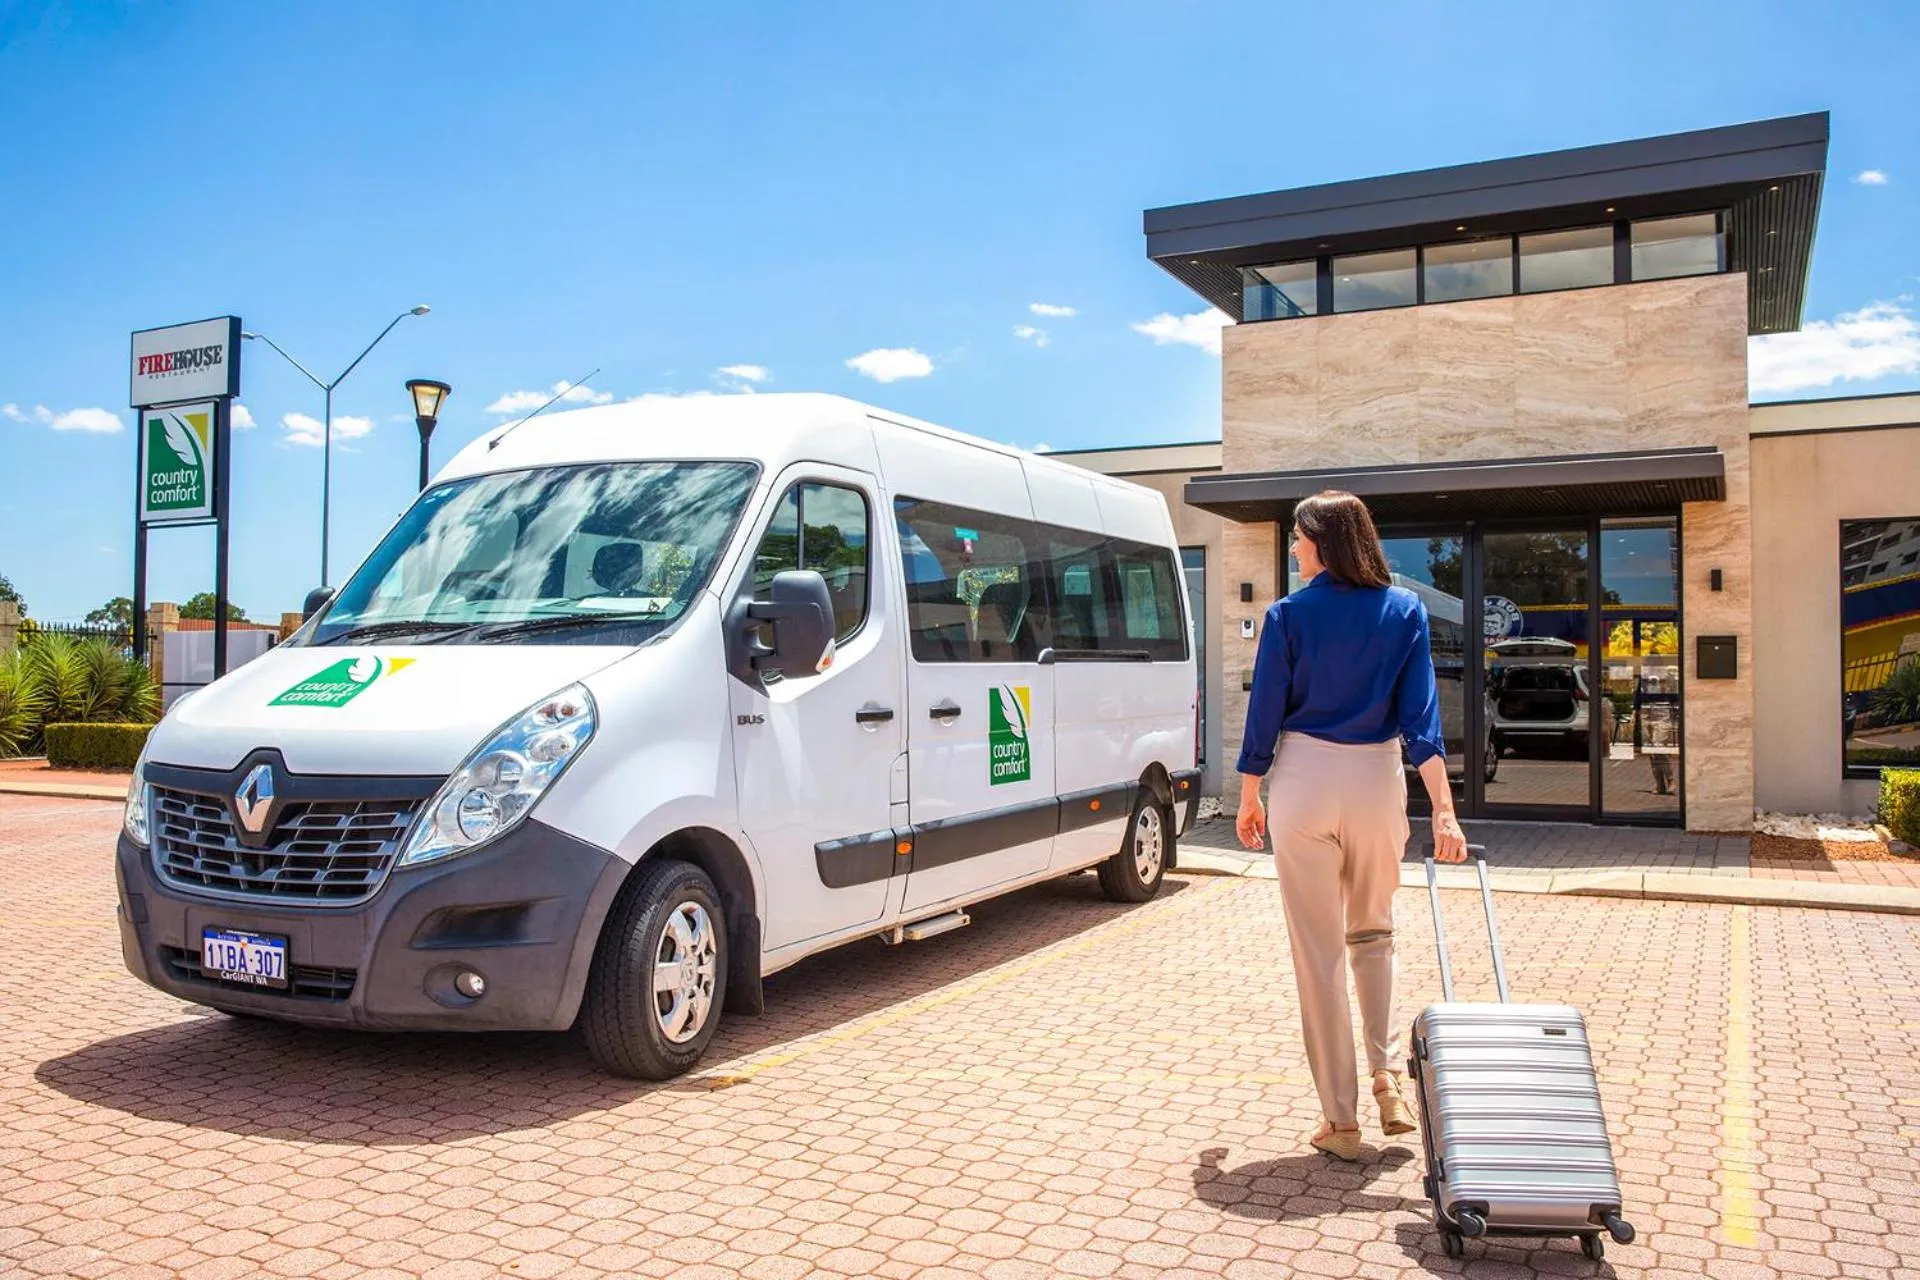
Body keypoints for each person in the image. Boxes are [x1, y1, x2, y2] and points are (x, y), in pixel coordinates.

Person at [1235, 490, 1469, 1162]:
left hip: (1304, 782)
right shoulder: (1404, 611)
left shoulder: (1286, 615)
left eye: (1300, 538)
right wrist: (1444, 811)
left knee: (1318, 957)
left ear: (1327, 542)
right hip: (1376, 780)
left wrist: (1251, 795)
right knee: (1374, 932)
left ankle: (1340, 1122)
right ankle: (1386, 1073)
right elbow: (1422, 723)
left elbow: (1264, 720)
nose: (1292, 548)